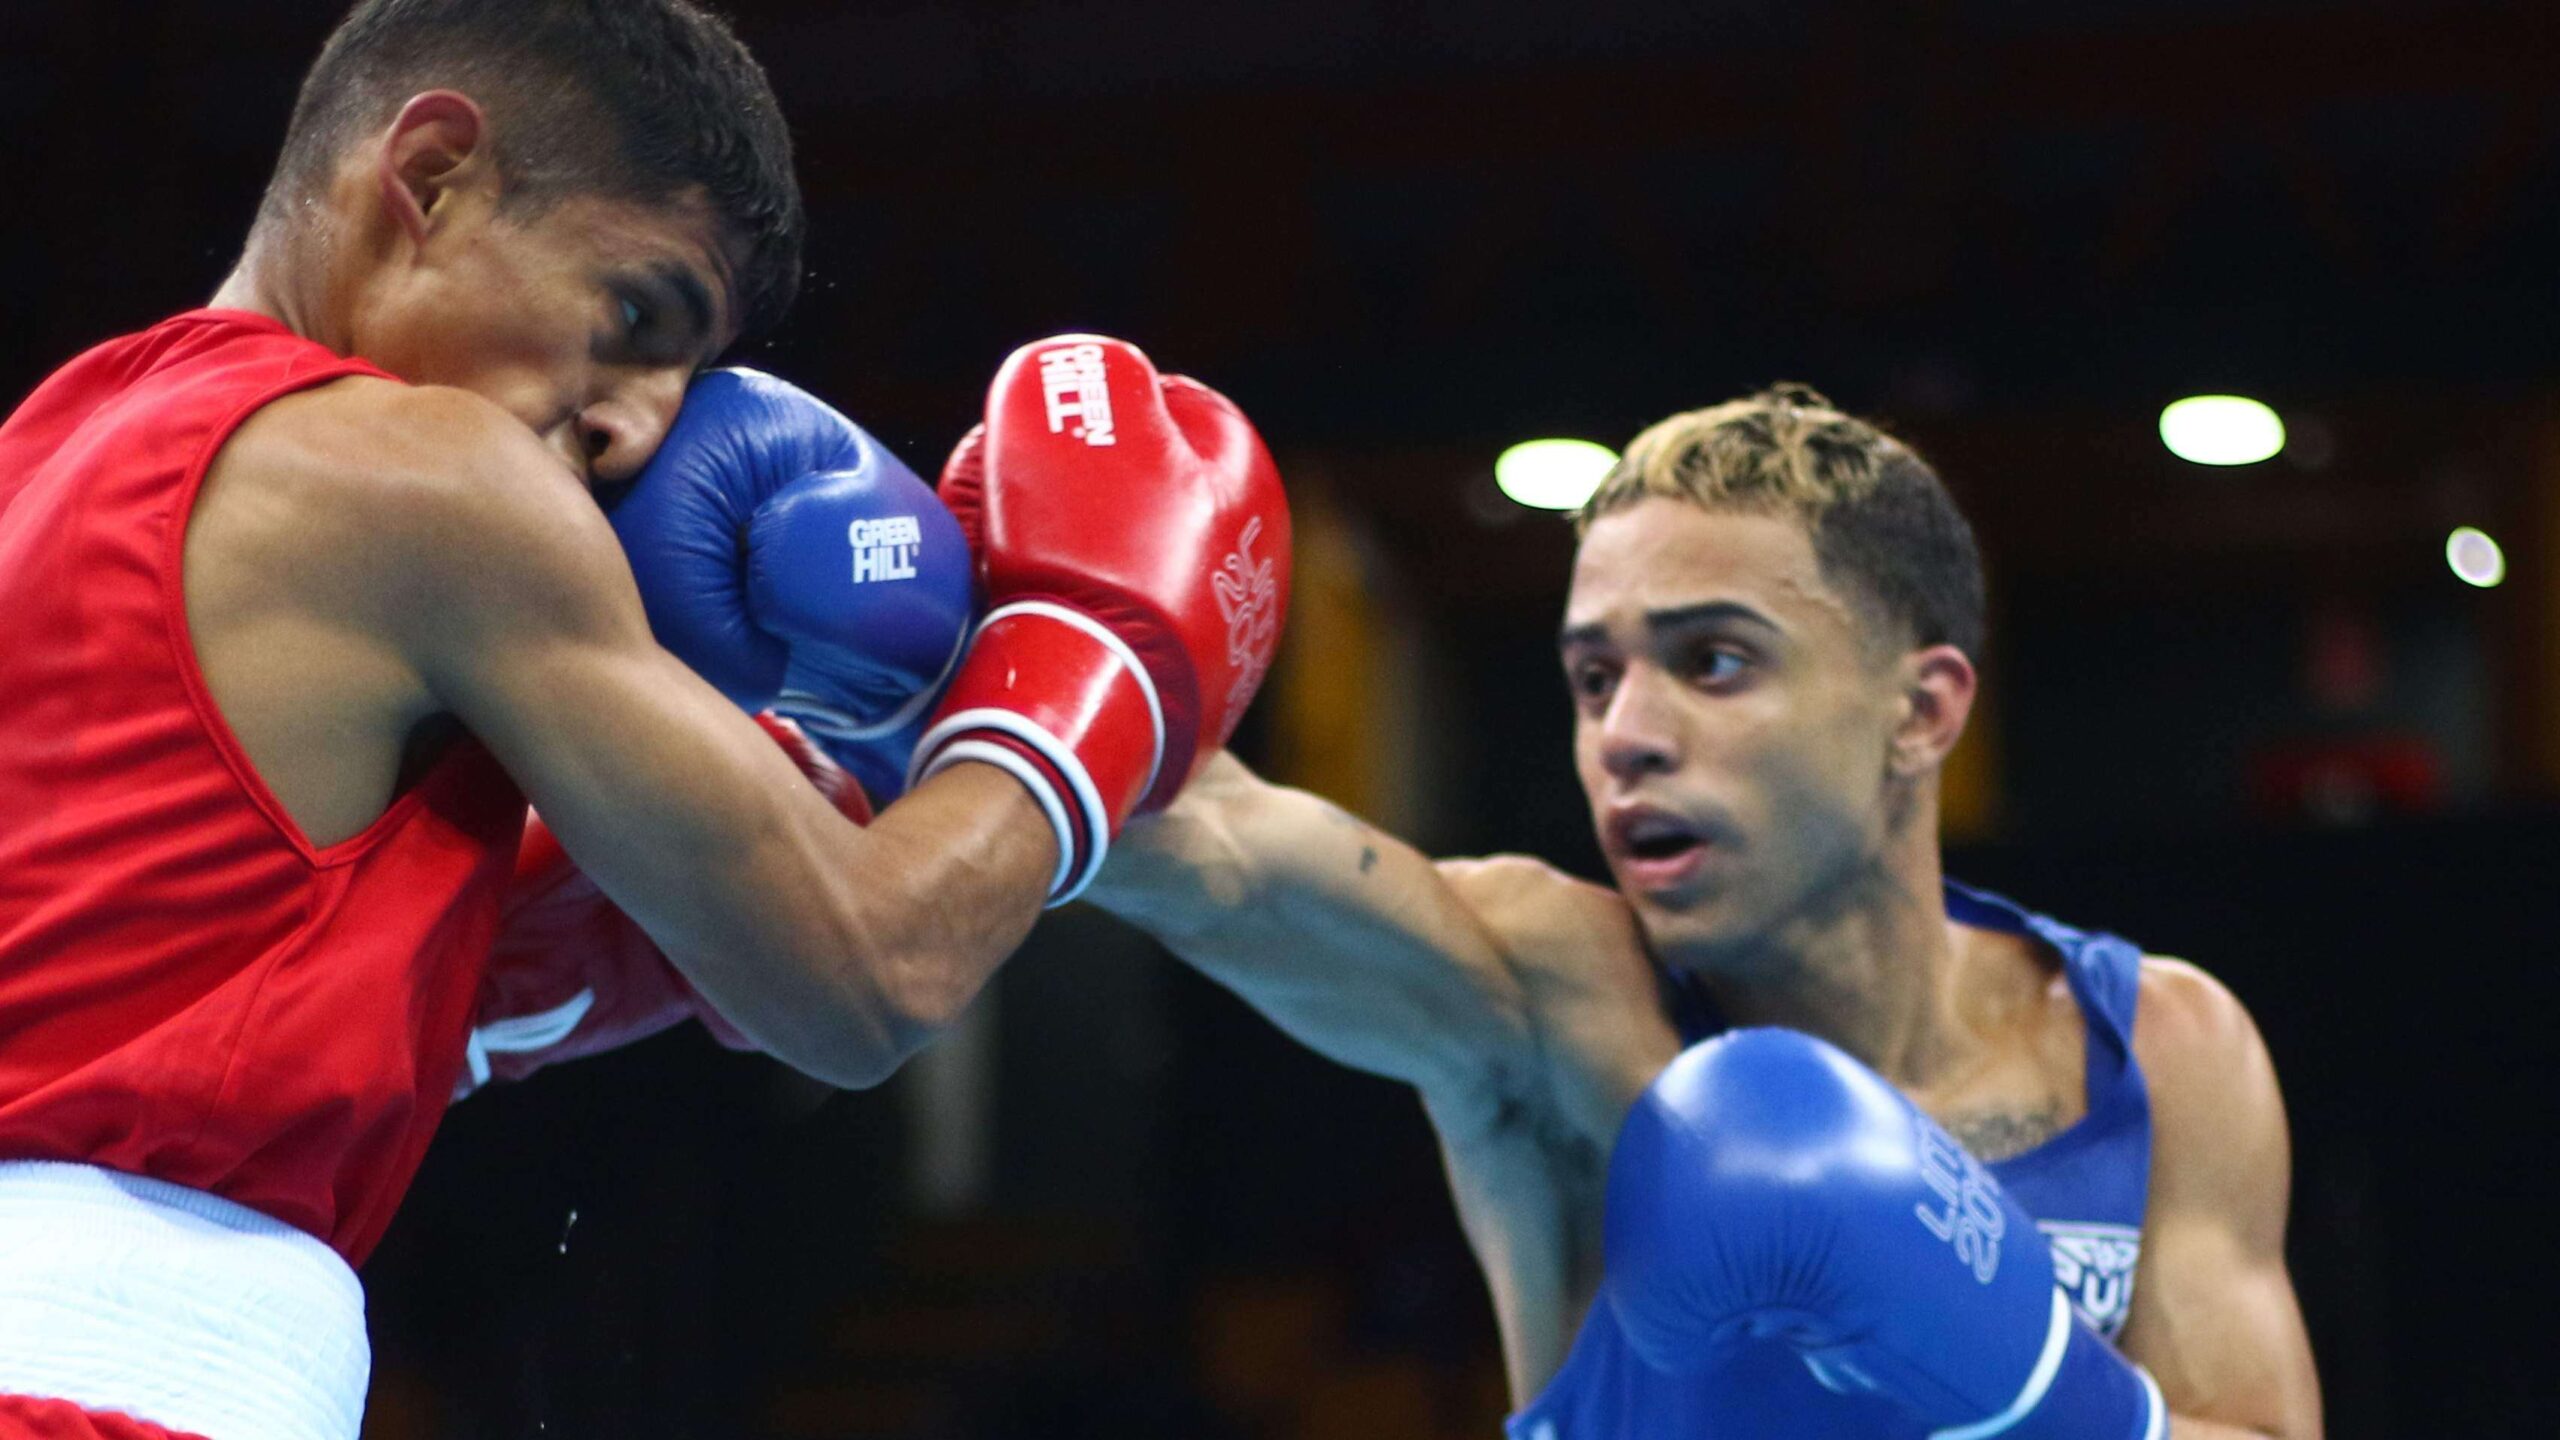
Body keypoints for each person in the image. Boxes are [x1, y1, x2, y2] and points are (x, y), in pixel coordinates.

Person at [0, 2, 1288, 1437]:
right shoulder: (420, 469)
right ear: (430, 176)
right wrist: (1083, 676)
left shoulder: (48, 447)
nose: (641, 426)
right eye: (634, 318)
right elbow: (867, 979)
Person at [1092, 386, 2322, 1437]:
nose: (1623, 735)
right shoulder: (1556, 997)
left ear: (1921, 712)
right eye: (1593, 677)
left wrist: (2041, 1396)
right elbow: (1222, 853)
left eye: (1713, 661)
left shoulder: (2152, 1049)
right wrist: (1043, 677)